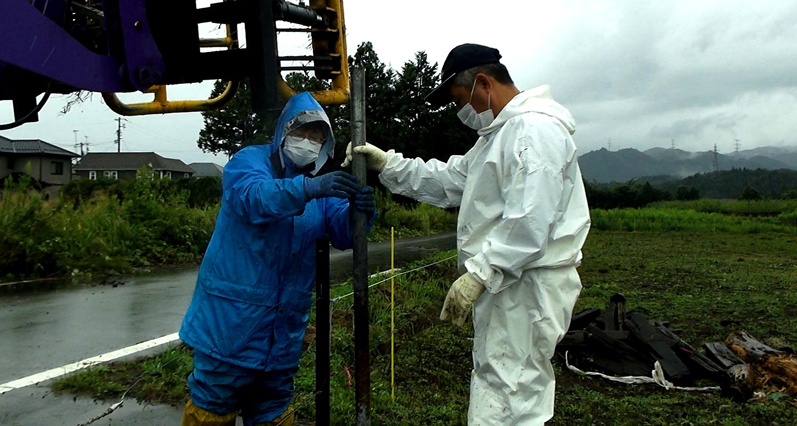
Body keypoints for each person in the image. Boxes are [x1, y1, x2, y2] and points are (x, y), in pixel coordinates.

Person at [344, 44, 590, 425]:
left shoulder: (534, 130)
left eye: (461, 100)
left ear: (482, 83)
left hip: (529, 285)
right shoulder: (498, 136)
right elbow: (449, 180)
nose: (461, 112)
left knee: (511, 392)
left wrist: (481, 273)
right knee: (503, 385)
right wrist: (388, 164)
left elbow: (530, 220)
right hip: (512, 284)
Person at [181, 92, 375, 426]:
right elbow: (254, 199)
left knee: (273, 408)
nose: (309, 142)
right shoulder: (250, 163)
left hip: (282, 337)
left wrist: (361, 212)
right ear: (284, 130)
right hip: (229, 330)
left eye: (318, 136)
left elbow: (344, 234)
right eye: (303, 132)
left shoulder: (318, 188)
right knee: (213, 405)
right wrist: (308, 189)